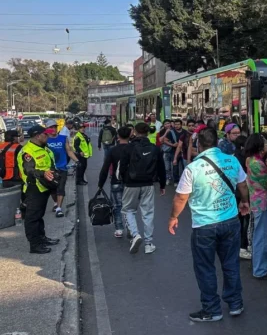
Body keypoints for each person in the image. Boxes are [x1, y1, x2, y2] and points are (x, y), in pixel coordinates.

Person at [168, 127, 250, 322]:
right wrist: (245, 201)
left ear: (199, 144)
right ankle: (235, 303)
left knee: (205, 268)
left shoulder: (193, 168)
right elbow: (242, 185)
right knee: (231, 264)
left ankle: (212, 309)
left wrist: (173, 217)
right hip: (230, 221)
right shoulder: (231, 160)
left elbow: (181, 197)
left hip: (204, 226)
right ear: (216, 142)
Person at [119, 122, 167, 254]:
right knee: (148, 213)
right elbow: (161, 168)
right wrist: (162, 185)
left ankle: (135, 234)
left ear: (134, 132)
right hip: (148, 184)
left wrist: (124, 180)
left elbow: (122, 167)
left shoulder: (128, 147)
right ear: (147, 133)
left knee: (128, 210)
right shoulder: (155, 148)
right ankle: (148, 243)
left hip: (131, 183)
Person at [17, 125, 60, 254]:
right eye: (45, 134)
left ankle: (41, 238)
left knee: (39, 215)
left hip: (44, 186)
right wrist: (43, 173)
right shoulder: (28, 152)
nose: (48, 136)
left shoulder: (44, 148)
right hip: (34, 188)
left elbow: (50, 164)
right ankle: (34, 245)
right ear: (37, 136)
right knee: (32, 218)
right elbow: (29, 170)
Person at [244, 134, 267, 279]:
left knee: (261, 235)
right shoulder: (258, 164)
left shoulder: (250, 160)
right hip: (262, 202)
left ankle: (263, 266)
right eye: (264, 142)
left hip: (256, 201)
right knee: (262, 237)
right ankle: (260, 269)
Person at [98, 126, 132, 238]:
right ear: (130, 135)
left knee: (117, 206)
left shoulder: (113, 150)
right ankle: (131, 227)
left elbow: (105, 168)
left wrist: (100, 184)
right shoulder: (133, 149)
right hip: (131, 182)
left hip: (116, 181)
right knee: (129, 206)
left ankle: (119, 229)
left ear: (118, 136)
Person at [45, 120, 79, 218]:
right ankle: (56, 202)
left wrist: (77, 161)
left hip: (62, 167)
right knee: (52, 189)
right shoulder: (45, 140)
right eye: (51, 127)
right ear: (47, 129)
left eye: (55, 127)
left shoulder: (63, 138)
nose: (54, 129)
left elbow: (69, 151)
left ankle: (59, 208)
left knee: (61, 188)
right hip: (50, 169)